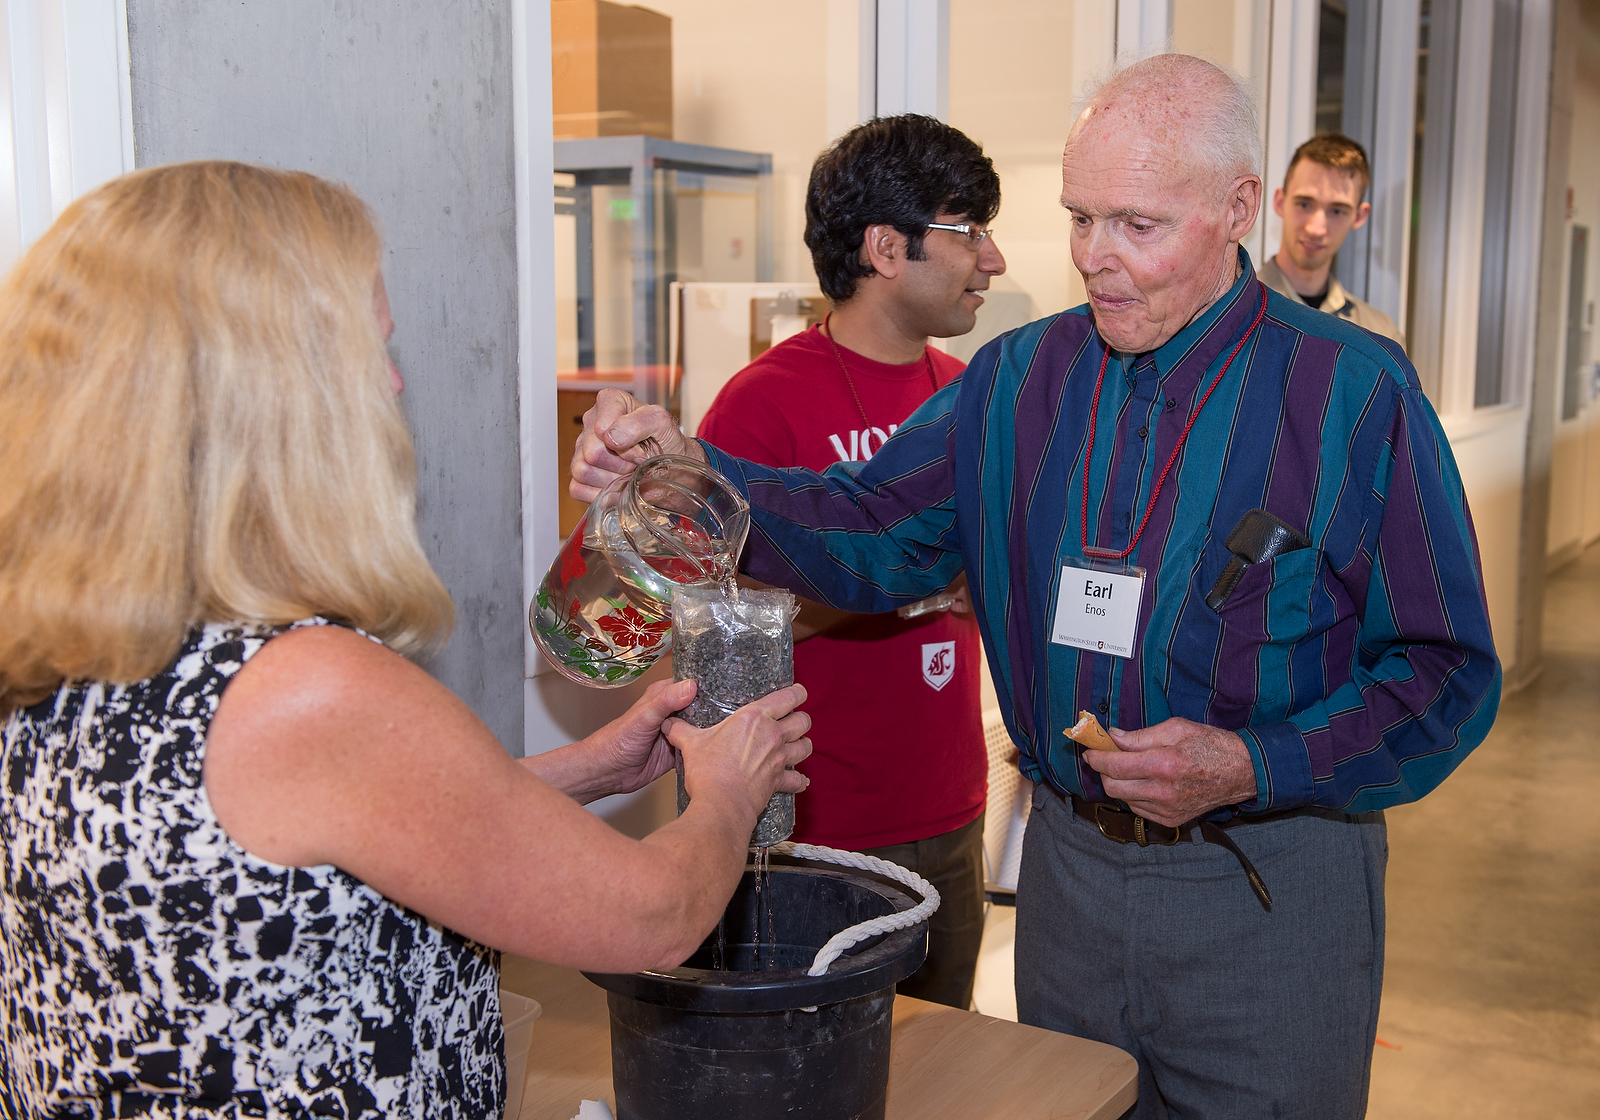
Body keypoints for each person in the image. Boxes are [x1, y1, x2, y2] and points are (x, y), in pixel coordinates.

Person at [571, 54, 1501, 1119]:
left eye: (1136, 225)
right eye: (1080, 218)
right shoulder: (1016, 382)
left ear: (1237, 208)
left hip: (1268, 889)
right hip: (1068, 884)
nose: (1095, 259)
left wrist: (1252, 760)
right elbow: (870, 527)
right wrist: (687, 472)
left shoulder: (1352, 392)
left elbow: (1444, 671)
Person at [0, 162, 811, 1119]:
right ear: (268, 392)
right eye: (368, 350)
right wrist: (727, 790)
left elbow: (326, 831)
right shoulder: (304, 686)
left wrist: (588, 767)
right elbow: (653, 917)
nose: (391, 383)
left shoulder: (72, 641)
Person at [695, 114, 1004, 1010]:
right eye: (967, 230)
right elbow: (720, 632)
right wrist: (899, 590)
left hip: (950, 806)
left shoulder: (969, 400)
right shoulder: (761, 409)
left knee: (945, 1068)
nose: (992, 259)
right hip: (816, 828)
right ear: (885, 248)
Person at [1259, 132, 1404, 344]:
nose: (1316, 228)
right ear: (1280, 202)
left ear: (1359, 216)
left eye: (1337, 211)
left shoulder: (1379, 336)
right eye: (1304, 204)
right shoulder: (1229, 313)